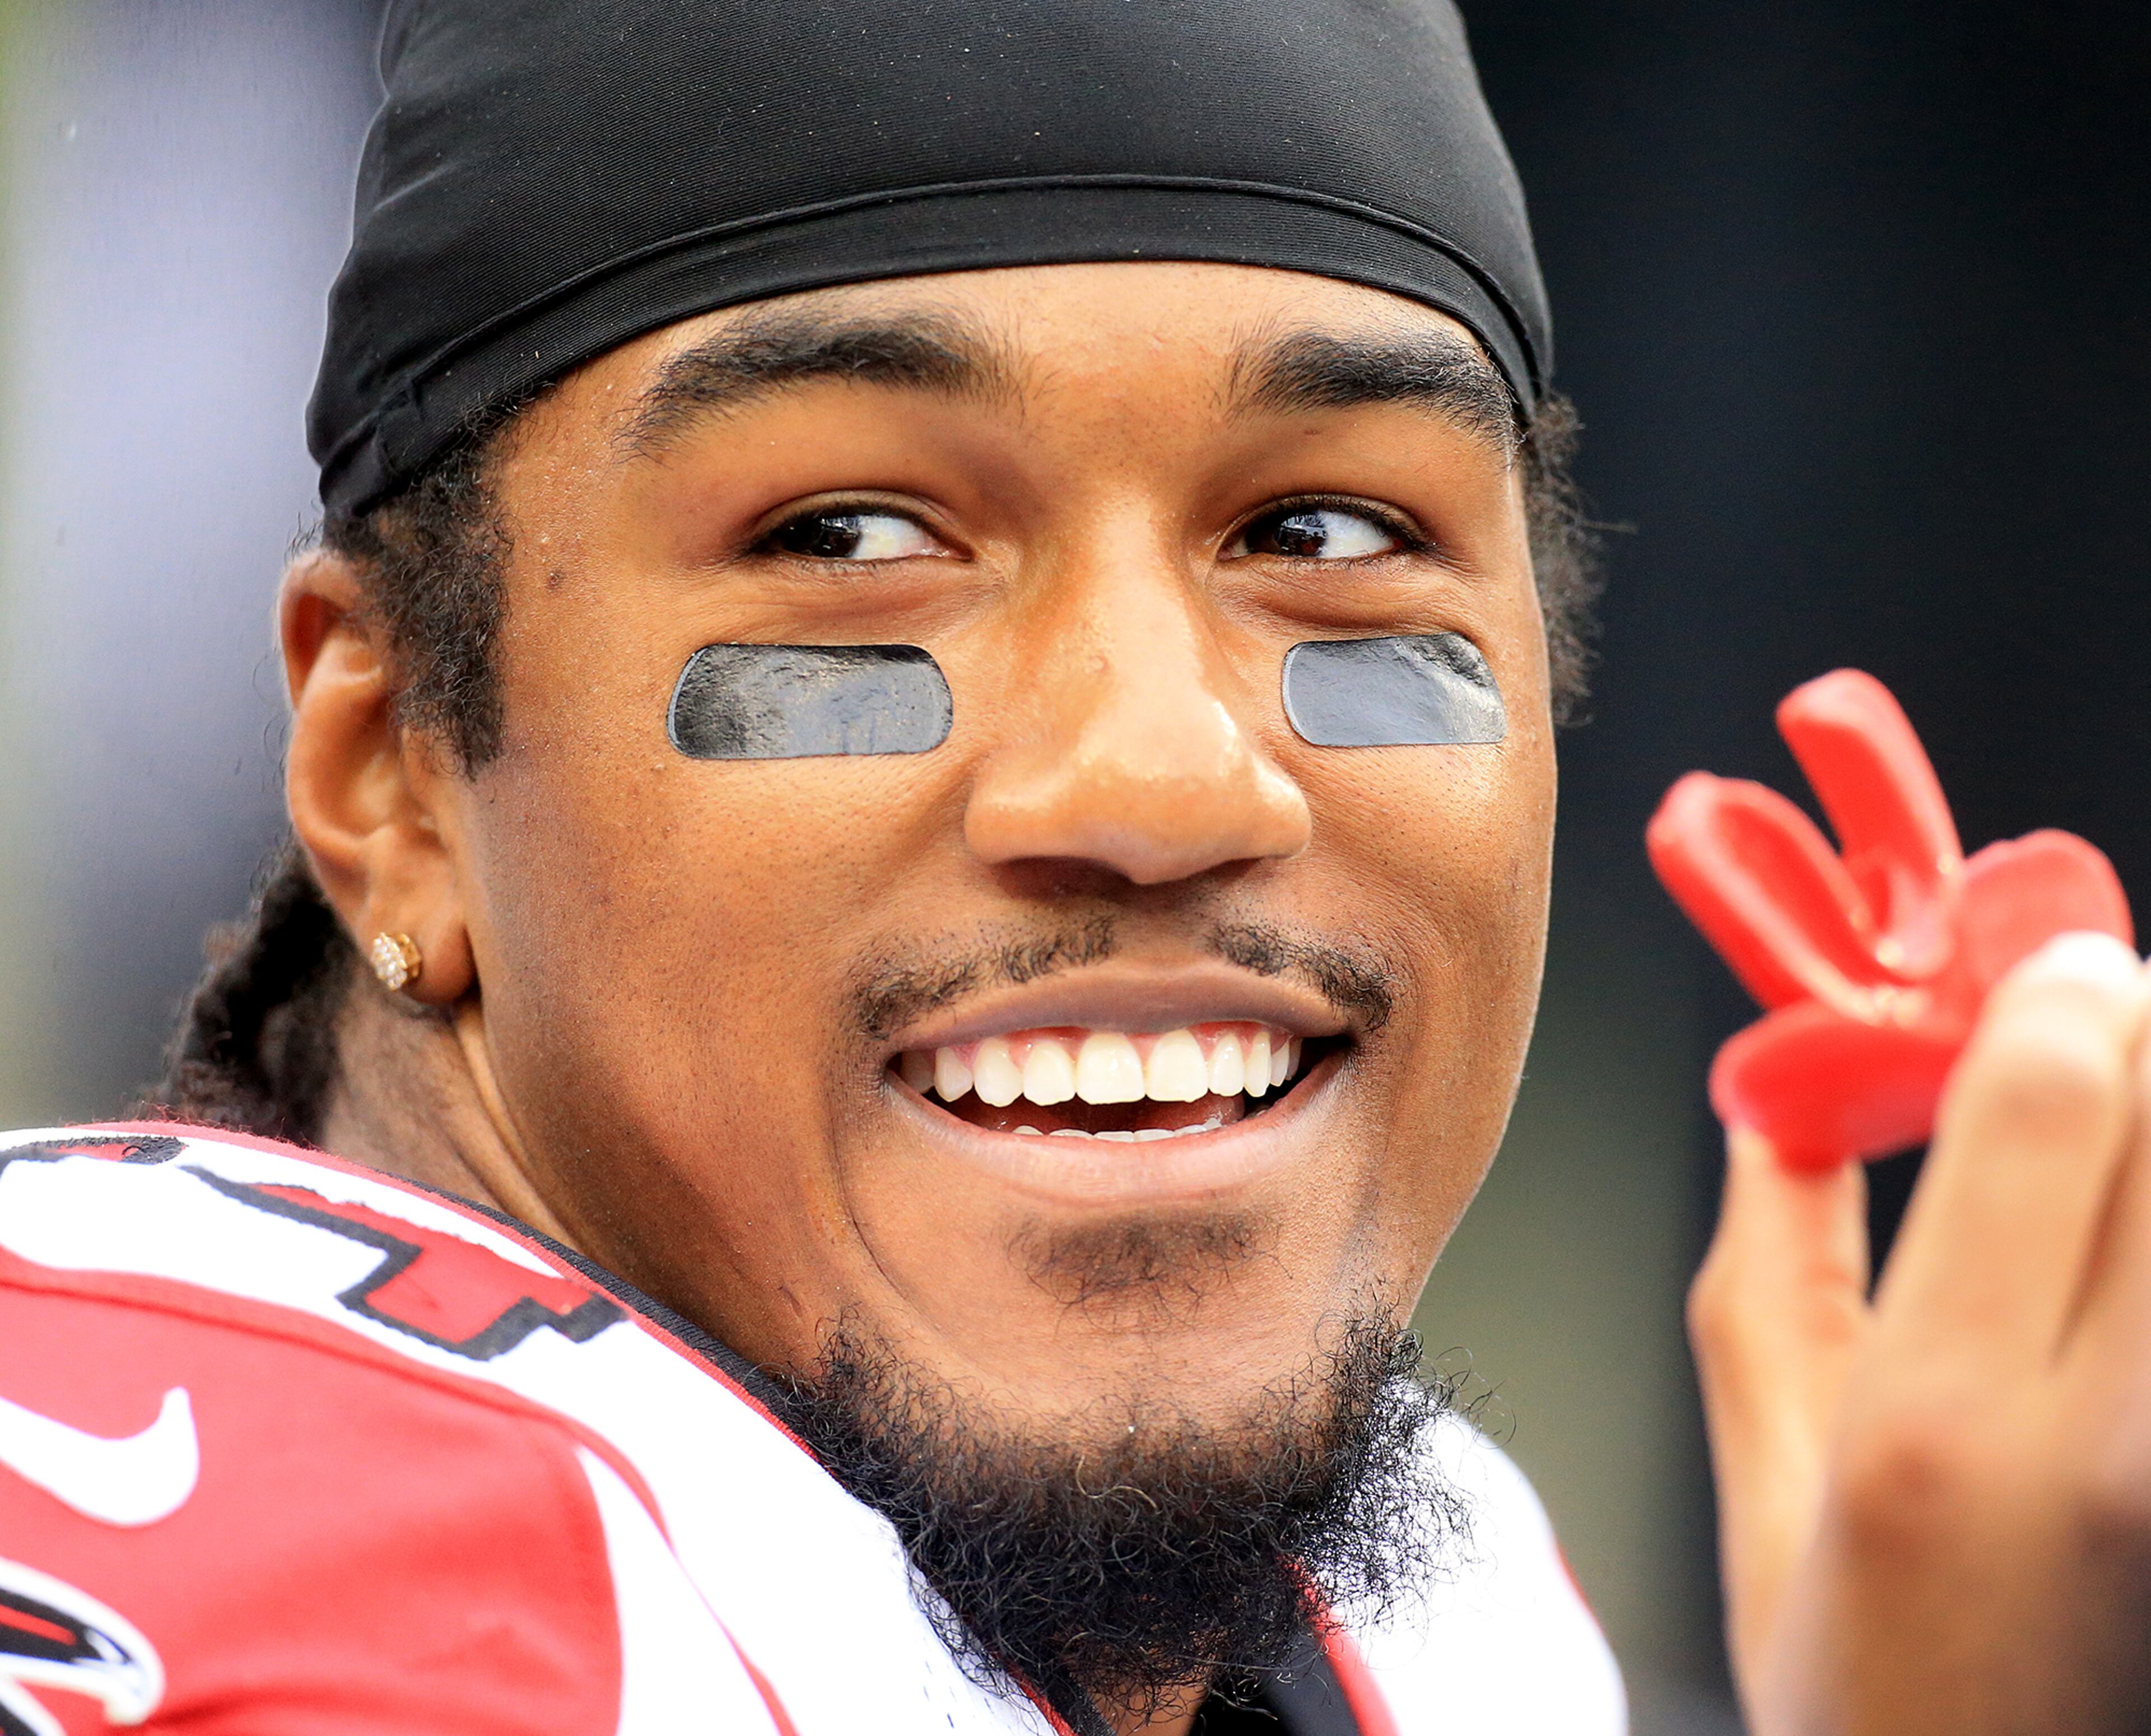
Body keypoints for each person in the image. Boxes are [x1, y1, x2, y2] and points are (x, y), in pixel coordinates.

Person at [3, 3, 2147, 1733]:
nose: (1165, 774)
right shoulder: (262, 1606)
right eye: (853, 538)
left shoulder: (1440, 1604)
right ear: (392, 774)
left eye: (1322, 533)